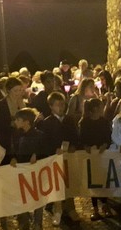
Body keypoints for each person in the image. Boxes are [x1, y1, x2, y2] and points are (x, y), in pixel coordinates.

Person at [39, 92, 80, 225]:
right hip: (54, 158)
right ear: (51, 106)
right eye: (58, 105)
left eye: (62, 104)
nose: (61, 107)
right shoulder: (47, 123)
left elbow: (75, 135)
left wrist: (74, 145)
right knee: (56, 184)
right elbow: (45, 142)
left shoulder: (69, 119)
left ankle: (71, 208)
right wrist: (53, 149)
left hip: (68, 157)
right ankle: (57, 209)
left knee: (68, 183)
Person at [11, 108, 51, 230]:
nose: (15, 122)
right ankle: (24, 219)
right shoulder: (16, 135)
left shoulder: (40, 135)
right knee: (23, 195)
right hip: (22, 171)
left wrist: (37, 155)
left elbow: (46, 153)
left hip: (36, 171)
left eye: (18, 120)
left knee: (38, 196)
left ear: (26, 122)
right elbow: (14, 150)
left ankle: (37, 222)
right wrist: (13, 158)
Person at [78, 98, 112, 220]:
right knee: (93, 182)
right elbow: (81, 138)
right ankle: (95, 208)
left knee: (103, 180)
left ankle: (105, 205)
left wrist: (105, 145)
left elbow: (108, 137)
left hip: (102, 155)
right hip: (91, 156)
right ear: (95, 108)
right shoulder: (85, 122)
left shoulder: (104, 121)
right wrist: (86, 146)